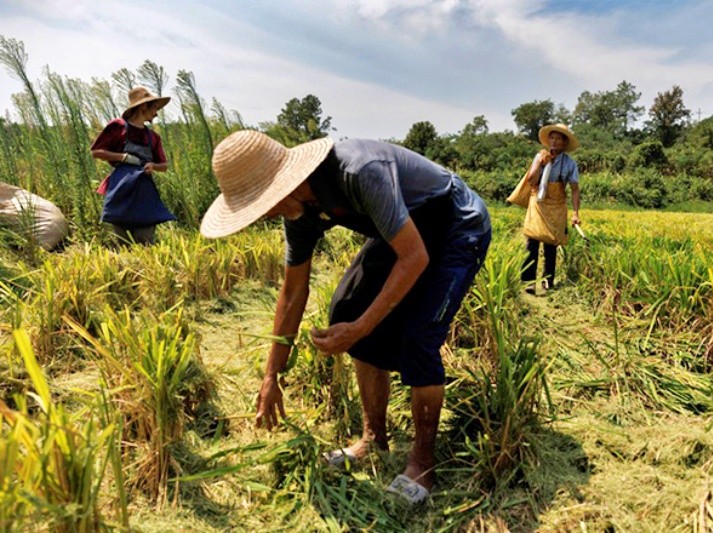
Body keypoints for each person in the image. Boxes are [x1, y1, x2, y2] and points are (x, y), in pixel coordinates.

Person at [200, 131, 491, 504]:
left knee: (419, 335)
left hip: (455, 223)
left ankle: (422, 461)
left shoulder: (359, 171)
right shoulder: (298, 213)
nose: (263, 215)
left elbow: (414, 257)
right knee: (347, 309)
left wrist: (360, 330)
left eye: (260, 205)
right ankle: (374, 440)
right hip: (405, 230)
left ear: (281, 186)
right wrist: (272, 374)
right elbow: (292, 293)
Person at [90, 86, 175, 245]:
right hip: (121, 190)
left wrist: (153, 166)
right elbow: (96, 151)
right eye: (154, 108)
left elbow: (164, 165)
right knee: (124, 242)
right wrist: (123, 157)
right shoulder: (117, 126)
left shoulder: (153, 137)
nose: (156, 113)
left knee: (145, 241)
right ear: (143, 106)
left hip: (144, 191)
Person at [520, 123, 580, 293]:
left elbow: (575, 190)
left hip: (557, 205)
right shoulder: (540, 156)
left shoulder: (570, 164)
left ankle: (548, 281)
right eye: (552, 138)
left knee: (551, 244)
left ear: (564, 143)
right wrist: (540, 162)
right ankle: (528, 281)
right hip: (537, 203)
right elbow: (531, 180)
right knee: (532, 241)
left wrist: (575, 213)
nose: (553, 142)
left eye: (558, 138)